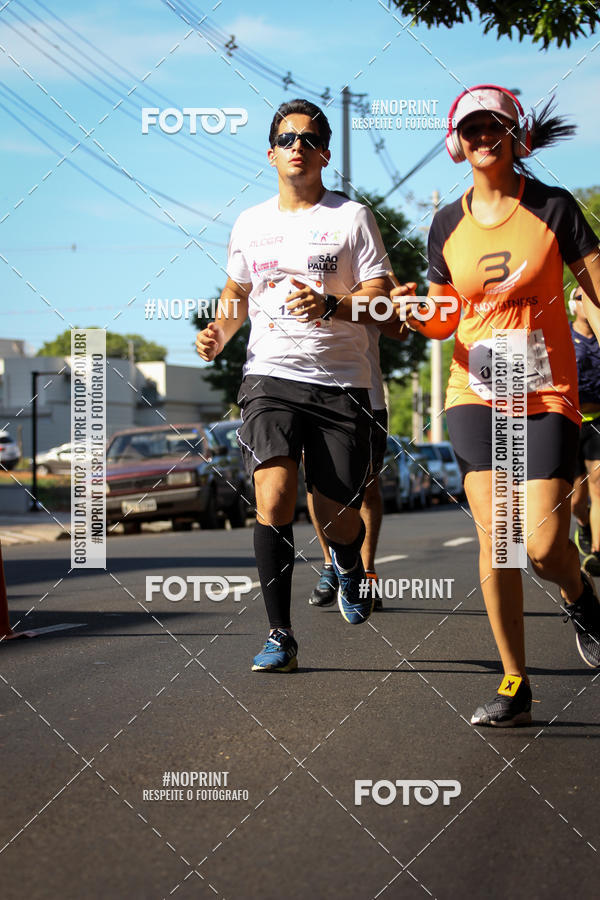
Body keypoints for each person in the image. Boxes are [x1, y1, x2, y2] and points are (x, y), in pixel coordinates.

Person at [393, 84, 600, 726]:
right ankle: (516, 682)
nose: (485, 138)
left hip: (545, 393)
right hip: (475, 392)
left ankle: (580, 596)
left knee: (542, 545)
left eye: (496, 128)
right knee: (500, 538)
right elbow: (442, 317)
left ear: (517, 137)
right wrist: (414, 313)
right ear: (457, 143)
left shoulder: (554, 209)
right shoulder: (444, 224)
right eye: (473, 129)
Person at [196, 98, 398, 672]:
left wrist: (333, 304)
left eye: (308, 140)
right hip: (269, 376)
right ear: (270, 152)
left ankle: (350, 564)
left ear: (325, 153)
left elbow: (383, 304)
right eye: (286, 139)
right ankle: (280, 634)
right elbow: (236, 300)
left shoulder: (352, 218)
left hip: (341, 382)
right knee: (276, 495)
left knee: (336, 514)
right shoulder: (249, 223)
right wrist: (219, 333)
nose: (297, 148)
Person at [308, 324, 388, 610]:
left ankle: (366, 571)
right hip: (312, 394)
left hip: (368, 397)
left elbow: (401, 328)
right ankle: (331, 564)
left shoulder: (376, 280)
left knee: (368, 488)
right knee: (316, 482)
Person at [569, 287, 600, 575]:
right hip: (570, 421)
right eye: (581, 298)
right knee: (576, 499)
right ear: (573, 305)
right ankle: (583, 525)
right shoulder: (564, 335)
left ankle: (596, 553)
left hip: (598, 420)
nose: (587, 303)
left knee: (599, 484)